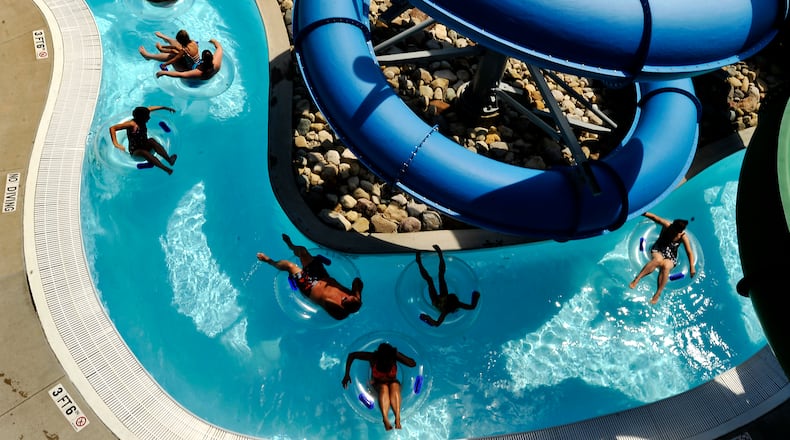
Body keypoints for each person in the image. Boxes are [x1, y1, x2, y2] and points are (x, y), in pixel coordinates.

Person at [256, 234, 362, 320]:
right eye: (349, 296)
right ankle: (291, 246)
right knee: (303, 251)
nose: (345, 297)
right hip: (321, 276)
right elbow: (357, 281)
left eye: (345, 300)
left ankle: (269, 261)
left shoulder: (339, 311)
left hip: (309, 286)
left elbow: (338, 313)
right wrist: (357, 295)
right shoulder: (353, 296)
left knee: (290, 266)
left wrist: (349, 303)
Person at [341, 343, 417, 430]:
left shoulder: (393, 357)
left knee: (395, 385)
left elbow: (412, 364)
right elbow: (352, 355)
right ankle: (385, 418)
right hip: (378, 383)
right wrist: (347, 374)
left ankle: (397, 417)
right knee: (384, 388)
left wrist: (397, 354)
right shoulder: (373, 357)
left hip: (393, 382)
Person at [629, 212, 696, 304]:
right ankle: (637, 279)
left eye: (674, 230)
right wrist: (641, 212)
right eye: (672, 227)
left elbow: (689, 252)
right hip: (659, 248)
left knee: (666, 266)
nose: (672, 230)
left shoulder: (683, 237)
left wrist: (692, 266)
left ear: (679, 231)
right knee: (657, 260)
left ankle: (658, 293)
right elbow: (654, 217)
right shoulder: (667, 225)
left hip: (671, 255)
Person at [416, 244, 480, 326]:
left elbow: (437, 324)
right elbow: (472, 306)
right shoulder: (457, 303)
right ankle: (440, 255)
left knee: (430, 281)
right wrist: (475, 296)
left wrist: (426, 319)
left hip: (437, 301)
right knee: (441, 276)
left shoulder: (446, 310)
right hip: (444, 298)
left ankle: (419, 262)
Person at [109, 105, 178, 175]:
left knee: (151, 140)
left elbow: (150, 108)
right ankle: (166, 169)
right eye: (147, 116)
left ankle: (169, 160)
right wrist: (116, 144)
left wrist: (165, 108)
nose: (149, 117)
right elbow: (112, 128)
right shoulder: (131, 124)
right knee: (143, 152)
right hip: (135, 150)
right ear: (141, 118)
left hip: (144, 144)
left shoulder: (142, 116)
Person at [156, 39, 223, 80]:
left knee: (174, 57)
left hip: (194, 81)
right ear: (212, 57)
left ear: (202, 60)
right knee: (181, 53)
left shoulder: (198, 72)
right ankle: (164, 46)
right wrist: (214, 41)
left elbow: (180, 75)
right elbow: (219, 48)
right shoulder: (216, 63)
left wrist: (163, 73)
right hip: (207, 77)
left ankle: (153, 54)